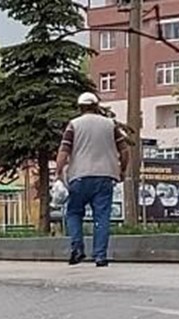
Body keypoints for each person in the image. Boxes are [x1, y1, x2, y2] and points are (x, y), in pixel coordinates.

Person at [54, 92, 130, 267]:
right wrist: (122, 170)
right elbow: (125, 151)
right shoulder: (110, 125)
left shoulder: (74, 125)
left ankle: (78, 247)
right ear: (96, 106)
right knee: (102, 217)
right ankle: (100, 256)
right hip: (105, 177)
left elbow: (63, 151)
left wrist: (58, 173)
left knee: (73, 212)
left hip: (78, 177)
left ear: (80, 108)